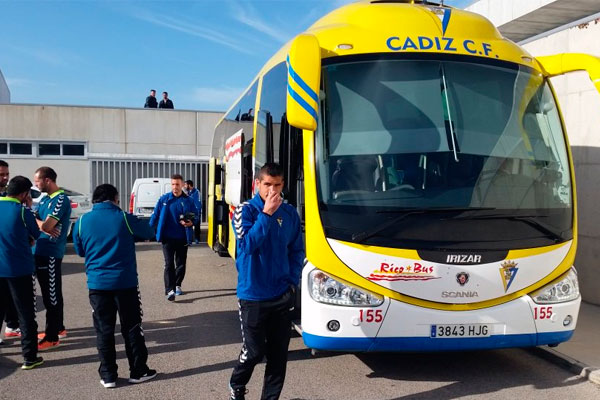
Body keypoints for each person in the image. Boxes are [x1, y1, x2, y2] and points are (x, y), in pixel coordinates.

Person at [228, 163, 304, 400]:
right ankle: (237, 384)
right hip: (253, 295)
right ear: (257, 184)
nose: (272, 190)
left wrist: (292, 281)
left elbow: (296, 249)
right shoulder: (245, 210)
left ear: (283, 185)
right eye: (267, 184)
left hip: (281, 294)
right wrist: (267, 213)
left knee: (278, 355)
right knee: (254, 351)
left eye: (277, 185)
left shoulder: (290, 213)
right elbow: (248, 245)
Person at [73, 184, 157, 388]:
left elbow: (80, 250)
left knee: (104, 330)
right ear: (115, 198)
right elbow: (149, 231)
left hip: (97, 284)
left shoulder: (82, 221)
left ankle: (108, 375)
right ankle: (138, 370)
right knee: (132, 327)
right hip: (124, 283)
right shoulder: (124, 218)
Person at [0, 176, 43, 370]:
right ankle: (30, 357)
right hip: (20, 270)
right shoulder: (23, 211)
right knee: (26, 314)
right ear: (24, 194)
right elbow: (37, 233)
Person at [33, 166, 70, 351]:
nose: (35, 184)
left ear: (47, 180)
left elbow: (48, 225)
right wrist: (40, 224)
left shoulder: (61, 199)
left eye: (37, 180)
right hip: (40, 250)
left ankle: (52, 336)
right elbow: (38, 221)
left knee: (51, 295)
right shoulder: (45, 199)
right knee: (52, 292)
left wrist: (40, 224)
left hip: (51, 253)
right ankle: (59, 327)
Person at [149, 174, 197, 300]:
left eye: (177, 184)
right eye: (173, 184)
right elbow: (155, 215)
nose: (175, 187)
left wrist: (191, 222)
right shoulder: (164, 200)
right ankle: (169, 290)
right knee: (169, 264)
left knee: (181, 263)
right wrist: (148, 228)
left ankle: (177, 284)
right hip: (167, 238)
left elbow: (195, 215)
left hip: (182, 237)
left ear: (182, 185)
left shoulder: (188, 200)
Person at [0, 160, 22, 341]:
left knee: (8, 295)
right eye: (1, 174)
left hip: (8, 257)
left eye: (6, 174)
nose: (5, 177)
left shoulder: (7, 194)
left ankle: (13, 325)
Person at [183, 179, 202, 245]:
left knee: (197, 226)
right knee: (188, 225)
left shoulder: (196, 192)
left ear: (189, 185)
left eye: (185, 184)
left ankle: (197, 239)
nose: (185, 186)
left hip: (195, 211)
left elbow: (198, 203)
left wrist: (198, 212)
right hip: (189, 212)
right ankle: (189, 241)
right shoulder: (187, 192)